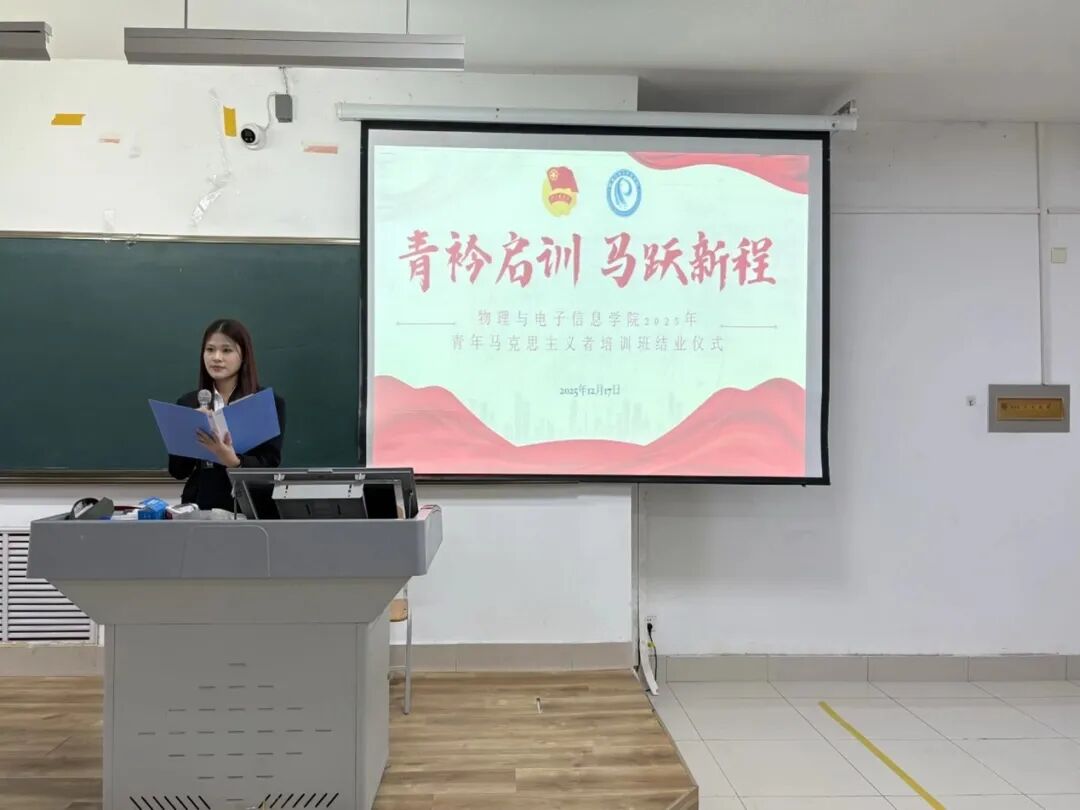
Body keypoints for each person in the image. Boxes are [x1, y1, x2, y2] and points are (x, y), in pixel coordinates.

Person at [168, 319, 286, 511]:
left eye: (226, 350)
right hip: (202, 505)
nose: (216, 357)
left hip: (250, 506)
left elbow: (270, 464)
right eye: (210, 350)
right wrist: (189, 431)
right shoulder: (189, 403)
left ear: (244, 355)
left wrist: (233, 461)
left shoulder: (267, 403)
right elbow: (178, 471)